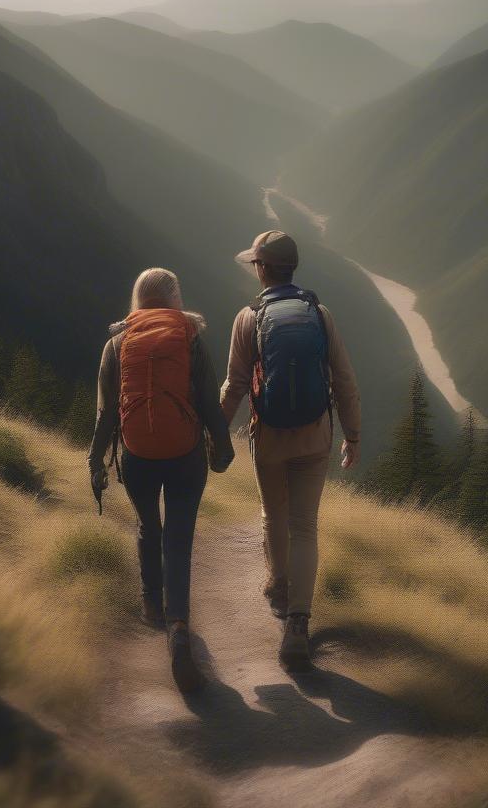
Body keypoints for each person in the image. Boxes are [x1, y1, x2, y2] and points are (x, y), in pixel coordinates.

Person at [88, 267, 234, 694]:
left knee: (148, 525)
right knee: (179, 537)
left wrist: (94, 460)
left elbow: (106, 414)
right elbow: (209, 403)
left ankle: (152, 601)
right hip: (185, 456)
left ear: (137, 301)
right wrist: (222, 450)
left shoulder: (116, 344)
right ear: (175, 299)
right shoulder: (189, 338)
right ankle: (179, 628)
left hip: (138, 456)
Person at [221, 230, 360, 672]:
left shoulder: (248, 318)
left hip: (270, 437)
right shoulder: (320, 314)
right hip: (315, 437)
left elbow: (235, 385)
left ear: (262, 268)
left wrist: (214, 432)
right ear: (293, 267)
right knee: (305, 525)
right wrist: (352, 435)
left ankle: (279, 586)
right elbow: (343, 381)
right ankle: (298, 624)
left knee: (273, 513)